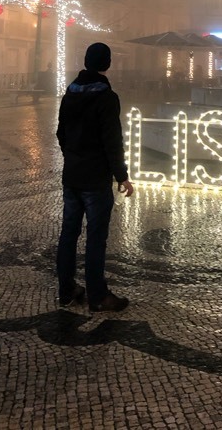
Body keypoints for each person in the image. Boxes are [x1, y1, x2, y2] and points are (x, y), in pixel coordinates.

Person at [56, 42, 134, 312]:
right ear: (107, 63)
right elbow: (112, 140)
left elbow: (61, 133)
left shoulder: (70, 93)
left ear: (86, 61)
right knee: (96, 237)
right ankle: (98, 296)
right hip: (95, 178)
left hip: (72, 175)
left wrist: (73, 155)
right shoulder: (106, 97)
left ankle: (66, 290)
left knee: (68, 233)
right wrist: (122, 175)